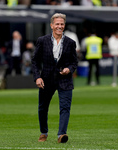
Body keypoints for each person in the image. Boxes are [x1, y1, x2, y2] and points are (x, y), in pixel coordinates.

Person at [32, 13, 78, 143]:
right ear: (51, 25)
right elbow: (35, 61)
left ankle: (61, 135)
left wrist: (69, 69)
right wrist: (37, 77)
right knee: (43, 107)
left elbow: (74, 62)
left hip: (65, 80)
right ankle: (43, 133)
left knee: (65, 107)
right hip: (46, 79)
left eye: (62, 24)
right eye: (57, 24)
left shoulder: (71, 42)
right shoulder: (42, 40)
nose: (59, 26)